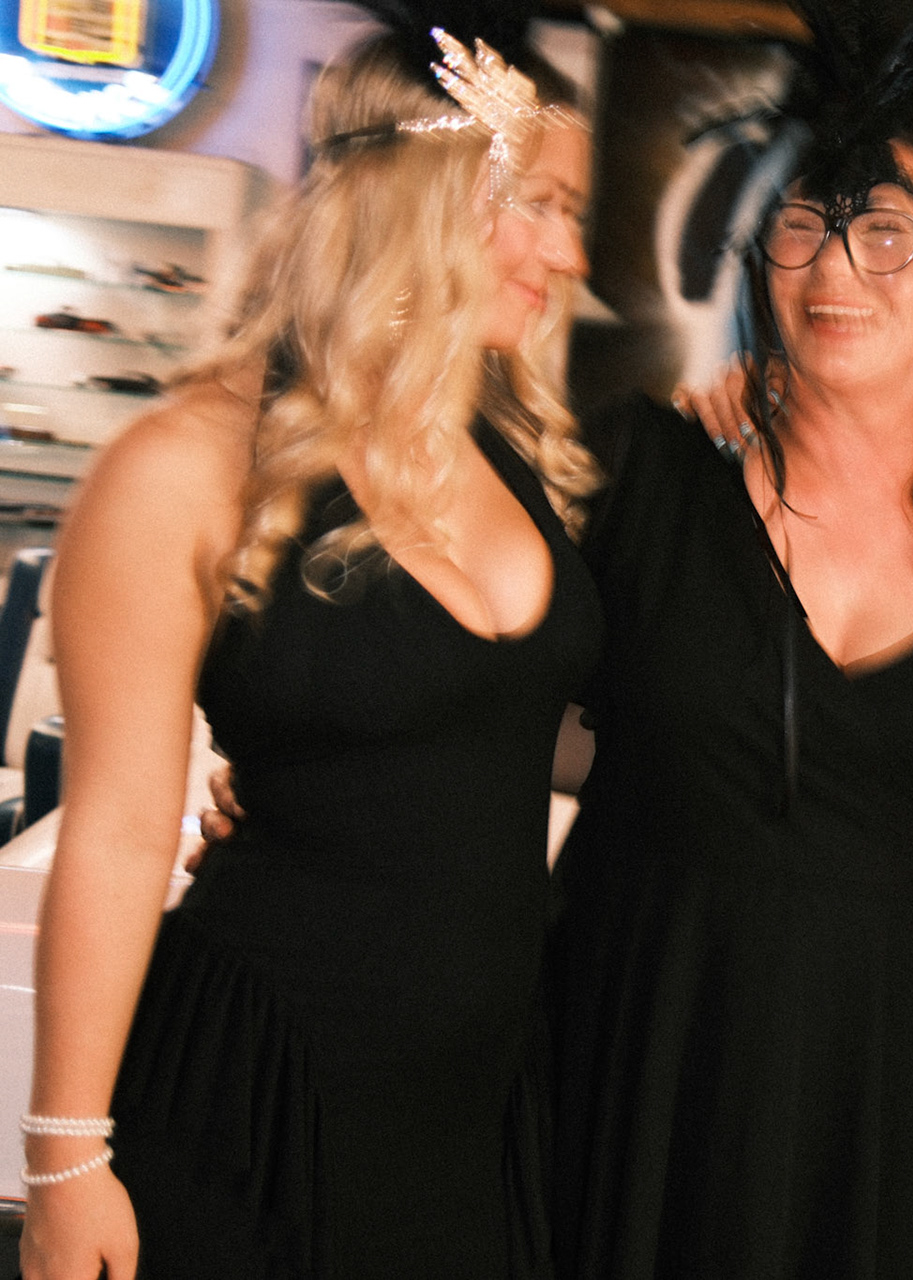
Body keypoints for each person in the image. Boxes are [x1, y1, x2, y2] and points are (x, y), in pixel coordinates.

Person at [20, 24, 600, 1280]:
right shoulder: (184, 466)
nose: (570, 254)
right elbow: (115, 833)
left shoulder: (506, 447)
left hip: (473, 1116)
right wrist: (65, 1157)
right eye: (543, 205)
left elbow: (477, 734)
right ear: (433, 194)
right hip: (257, 1106)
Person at [541, 7, 913, 1278]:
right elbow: (460, 665)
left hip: (884, 1097)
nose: (836, 266)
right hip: (633, 1057)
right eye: (804, 222)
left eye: (887, 230)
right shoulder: (643, 475)